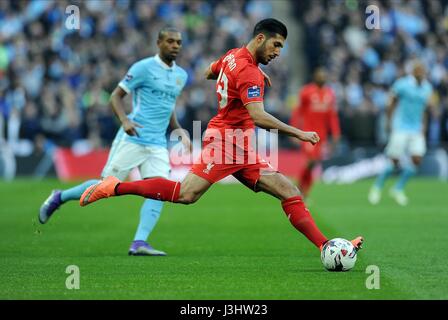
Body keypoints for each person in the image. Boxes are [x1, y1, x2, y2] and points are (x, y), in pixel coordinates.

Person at [79, 19, 363, 253]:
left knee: (290, 191)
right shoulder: (249, 72)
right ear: (261, 38)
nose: (278, 53)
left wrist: (244, 78)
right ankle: (114, 187)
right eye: (276, 45)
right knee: (185, 194)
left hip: (240, 146)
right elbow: (259, 116)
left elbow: (208, 72)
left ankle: (327, 246)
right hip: (225, 143)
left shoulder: (232, 55)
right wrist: (299, 133)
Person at [39, 27, 190, 256]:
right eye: (170, 41)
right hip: (133, 138)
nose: (175, 46)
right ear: (158, 42)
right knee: (105, 186)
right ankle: (60, 196)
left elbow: (168, 107)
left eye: (178, 42)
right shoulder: (143, 68)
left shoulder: (181, 75)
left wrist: (178, 129)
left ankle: (139, 243)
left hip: (158, 143)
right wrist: (125, 121)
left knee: (159, 190)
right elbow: (115, 97)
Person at [368, 62, 433, 206]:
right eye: (418, 70)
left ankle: (398, 188)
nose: (421, 73)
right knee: (394, 160)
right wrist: (389, 122)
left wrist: (424, 126)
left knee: (417, 159)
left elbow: (425, 110)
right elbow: (391, 102)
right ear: (413, 72)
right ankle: (377, 186)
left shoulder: (427, 87)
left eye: (423, 71)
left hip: (416, 129)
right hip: (401, 127)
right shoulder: (402, 84)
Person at [290, 67, 340, 198]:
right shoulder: (306, 92)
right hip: (307, 133)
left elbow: (332, 116)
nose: (322, 78)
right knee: (311, 161)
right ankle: (300, 187)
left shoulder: (330, 94)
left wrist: (335, 133)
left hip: (321, 136)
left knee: (314, 163)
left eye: (324, 76)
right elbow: (298, 112)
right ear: (315, 77)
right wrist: (294, 131)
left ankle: (303, 191)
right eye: (320, 75)